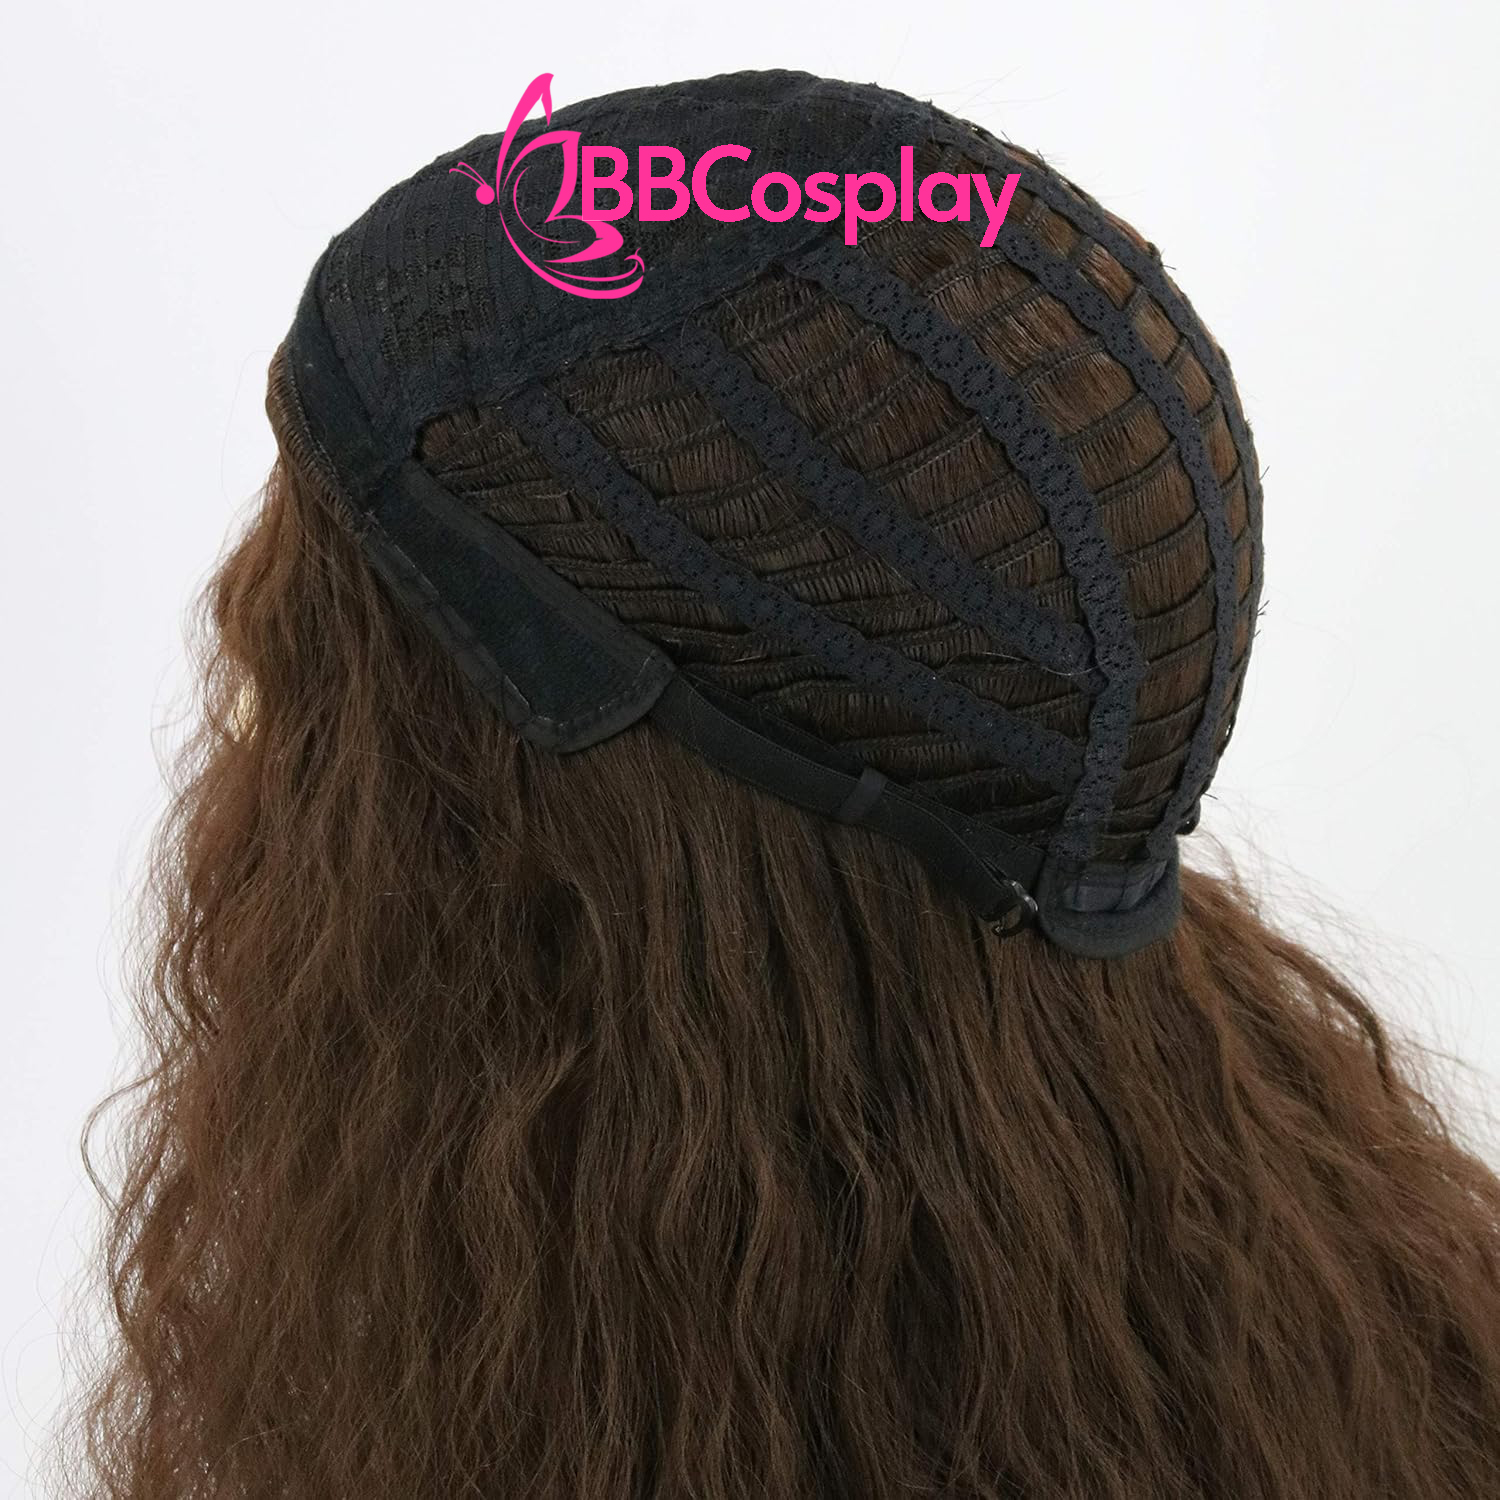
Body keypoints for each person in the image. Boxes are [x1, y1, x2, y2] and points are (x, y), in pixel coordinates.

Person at [67, 70, 1500, 1499]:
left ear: (557, 847)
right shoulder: (1360, 1328)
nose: (242, 686)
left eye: (331, 683)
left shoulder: (486, 1382)